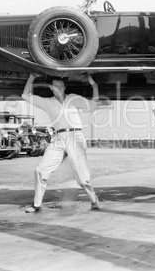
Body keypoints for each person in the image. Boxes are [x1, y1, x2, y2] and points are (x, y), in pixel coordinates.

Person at [22, 73, 100, 213]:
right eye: (55, 86)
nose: (58, 88)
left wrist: (94, 85)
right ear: (51, 88)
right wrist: (32, 77)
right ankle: (37, 205)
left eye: (61, 86)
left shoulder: (74, 99)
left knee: (82, 179)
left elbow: (93, 105)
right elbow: (25, 96)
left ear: (64, 87)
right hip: (58, 139)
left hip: (75, 137)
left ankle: (94, 201)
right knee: (40, 171)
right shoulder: (48, 102)